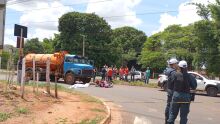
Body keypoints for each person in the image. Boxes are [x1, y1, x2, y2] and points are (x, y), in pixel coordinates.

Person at [164, 58, 179, 124]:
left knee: (168, 105)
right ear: (174, 64)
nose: (178, 65)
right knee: (172, 108)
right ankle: (169, 122)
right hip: (172, 91)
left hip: (169, 90)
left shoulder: (169, 71)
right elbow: (176, 82)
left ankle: (166, 121)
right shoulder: (173, 72)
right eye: (177, 64)